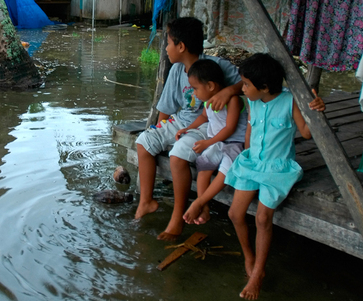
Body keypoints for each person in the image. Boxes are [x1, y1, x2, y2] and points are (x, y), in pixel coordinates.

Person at [223, 53, 325, 300]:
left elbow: (307, 133)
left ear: (265, 87)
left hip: (277, 168)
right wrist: (247, 155)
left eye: (246, 84)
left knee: (262, 218)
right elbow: (250, 130)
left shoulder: (290, 102)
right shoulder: (253, 101)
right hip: (253, 162)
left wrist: (317, 110)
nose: (243, 88)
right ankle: (249, 256)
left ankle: (258, 273)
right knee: (235, 213)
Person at [134, 17, 243, 241]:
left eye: (168, 42)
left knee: (177, 156)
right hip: (181, 122)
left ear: (181, 46)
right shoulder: (175, 70)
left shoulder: (216, 66)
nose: (166, 47)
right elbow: (165, 108)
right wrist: (158, 133)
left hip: (205, 126)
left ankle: (177, 218)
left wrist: (229, 91)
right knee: (143, 142)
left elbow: (246, 81)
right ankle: (146, 201)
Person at [178, 59, 247, 225]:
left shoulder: (233, 100)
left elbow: (230, 129)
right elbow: (203, 117)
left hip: (235, 143)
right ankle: (205, 208)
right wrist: (187, 129)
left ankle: (200, 202)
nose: (193, 93)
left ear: (210, 86)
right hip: (217, 143)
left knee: (226, 170)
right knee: (203, 166)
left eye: (195, 88)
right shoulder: (208, 101)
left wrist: (208, 143)